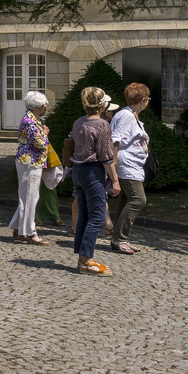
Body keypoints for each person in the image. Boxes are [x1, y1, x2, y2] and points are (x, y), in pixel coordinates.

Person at [68, 86, 120, 276]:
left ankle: (82, 257)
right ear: (103, 105)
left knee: (84, 215)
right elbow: (106, 157)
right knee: (97, 215)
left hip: (79, 171)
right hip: (92, 172)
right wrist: (115, 180)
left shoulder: (78, 122)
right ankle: (86, 259)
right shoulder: (102, 125)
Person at [107, 83, 152, 255]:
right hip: (127, 165)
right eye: (147, 99)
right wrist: (115, 164)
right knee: (138, 199)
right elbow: (115, 140)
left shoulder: (132, 115)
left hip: (134, 165)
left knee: (126, 201)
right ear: (143, 100)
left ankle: (118, 239)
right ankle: (120, 238)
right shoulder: (125, 116)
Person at [9, 90, 50, 244]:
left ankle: (18, 228)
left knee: (27, 196)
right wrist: (45, 134)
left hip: (30, 161)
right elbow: (39, 143)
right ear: (38, 106)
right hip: (30, 162)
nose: (46, 107)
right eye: (44, 105)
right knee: (30, 197)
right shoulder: (30, 121)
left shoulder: (32, 118)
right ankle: (29, 233)